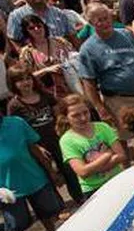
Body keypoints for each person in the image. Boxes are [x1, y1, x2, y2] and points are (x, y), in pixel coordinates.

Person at [6, 65, 83, 205]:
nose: (26, 83)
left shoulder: (45, 95)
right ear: (13, 84)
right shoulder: (14, 105)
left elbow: (58, 115)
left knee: (68, 170)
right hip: (37, 146)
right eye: (20, 80)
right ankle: (59, 205)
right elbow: (18, 129)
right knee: (48, 175)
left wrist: (63, 134)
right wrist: (36, 147)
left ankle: (79, 197)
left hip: (56, 140)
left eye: (28, 78)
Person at [0, 114, 63, 231]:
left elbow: (34, 148)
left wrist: (51, 171)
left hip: (34, 178)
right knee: (16, 224)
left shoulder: (17, 123)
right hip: (6, 190)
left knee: (48, 212)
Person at [78, 3, 134, 135]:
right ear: (90, 23)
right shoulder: (87, 49)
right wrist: (99, 107)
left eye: (106, 18)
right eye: (99, 20)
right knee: (125, 137)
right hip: (117, 101)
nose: (105, 22)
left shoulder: (127, 35)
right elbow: (89, 82)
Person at [57, 94, 126, 199]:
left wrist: (93, 168)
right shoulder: (67, 140)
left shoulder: (102, 127)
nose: (83, 118)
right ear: (65, 118)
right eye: (76, 115)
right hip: (94, 189)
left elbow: (121, 155)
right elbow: (82, 172)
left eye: (85, 112)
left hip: (117, 179)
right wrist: (107, 155)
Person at [7, 0, 77, 51]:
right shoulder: (16, 15)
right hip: (37, 58)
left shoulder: (58, 13)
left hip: (62, 54)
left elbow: (72, 35)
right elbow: (13, 39)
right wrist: (23, 54)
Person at [17, 14, 75, 100]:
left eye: (39, 26)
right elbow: (26, 76)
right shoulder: (26, 52)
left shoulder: (60, 41)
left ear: (44, 26)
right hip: (48, 94)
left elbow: (75, 58)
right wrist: (46, 70)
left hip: (71, 85)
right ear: (27, 31)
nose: (37, 29)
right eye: (31, 28)